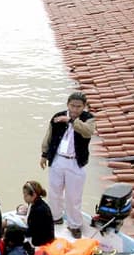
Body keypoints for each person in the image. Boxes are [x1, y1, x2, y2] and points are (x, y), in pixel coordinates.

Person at [40, 91, 97, 238]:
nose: (75, 109)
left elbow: (87, 132)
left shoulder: (88, 119)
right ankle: (56, 217)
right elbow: (49, 136)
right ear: (67, 105)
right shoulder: (57, 117)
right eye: (72, 106)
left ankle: (74, 225)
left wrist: (71, 121)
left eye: (78, 107)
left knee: (74, 196)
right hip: (57, 159)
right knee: (54, 192)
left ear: (84, 106)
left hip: (75, 162)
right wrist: (44, 154)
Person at [22, 180, 55, 247]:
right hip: (48, 237)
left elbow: (31, 231)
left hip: (40, 242)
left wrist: (17, 230)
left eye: (25, 195)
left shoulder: (37, 210)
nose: (24, 197)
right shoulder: (40, 203)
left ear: (34, 195)